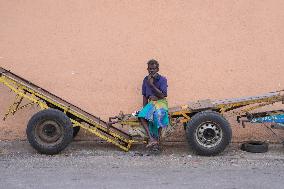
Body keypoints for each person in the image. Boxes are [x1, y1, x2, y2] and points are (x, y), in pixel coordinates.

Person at [138, 59, 169, 150]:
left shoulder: (163, 79)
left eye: (154, 69)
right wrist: (145, 108)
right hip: (151, 103)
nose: (151, 70)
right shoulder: (145, 80)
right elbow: (144, 95)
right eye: (150, 69)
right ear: (147, 69)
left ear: (157, 69)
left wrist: (152, 85)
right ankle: (151, 139)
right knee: (142, 116)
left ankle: (158, 141)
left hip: (161, 102)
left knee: (157, 115)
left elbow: (163, 95)